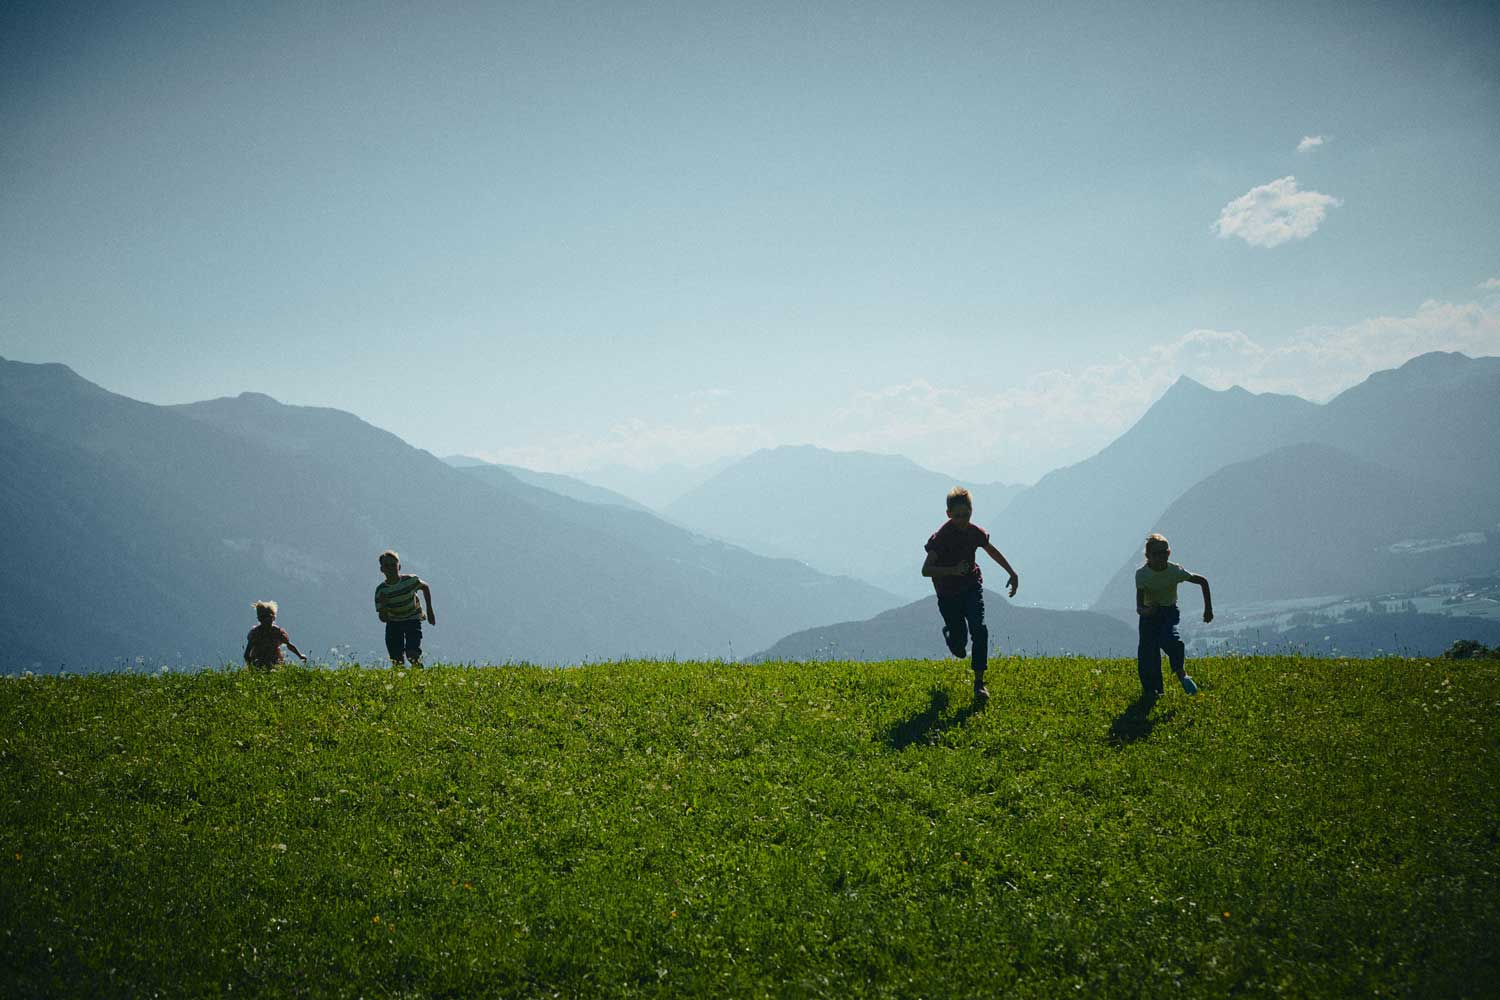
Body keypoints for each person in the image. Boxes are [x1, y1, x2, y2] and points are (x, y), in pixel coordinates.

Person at [921, 487, 1019, 701]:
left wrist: (1011, 572)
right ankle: (951, 636)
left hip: (971, 587)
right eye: (957, 516)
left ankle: (979, 684)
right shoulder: (942, 538)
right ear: (948, 514)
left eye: (966, 515)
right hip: (948, 595)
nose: (962, 520)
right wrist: (953, 571)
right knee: (959, 646)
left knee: (980, 629)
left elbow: (990, 550)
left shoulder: (975, 532)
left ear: (971, 511)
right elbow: (925, 570)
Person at [1135, 533, 1212, 697]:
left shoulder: (1175, 571)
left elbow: (1203, 582)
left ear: (1169, 553)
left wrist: (1208, 610)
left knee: (1171, 641)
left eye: (1164, 553)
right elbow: (1139, 607)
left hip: (1168, 612)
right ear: (1148, 556)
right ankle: (1154, 691)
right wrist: (1147, 611)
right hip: (1148, 617)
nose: (1161, 557)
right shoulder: (1142, 575)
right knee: (1147, 653)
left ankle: (1182, 674)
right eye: (1157, 554)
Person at [375, 550, 436, 666]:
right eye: (386, 566)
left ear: (399, 567)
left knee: (412, 654)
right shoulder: (381, 591)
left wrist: (429, 610)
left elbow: (425, 587)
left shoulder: (410, 581)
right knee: (397, 660)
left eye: (393, 565)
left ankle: (421, 678)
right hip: (393, 623)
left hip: (412, 619)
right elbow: (383, 618)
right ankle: (400, 680)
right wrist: (383, 606)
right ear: (382, 569)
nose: (390, 569)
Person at [243, 600, 306, 670]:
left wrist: (300, 655)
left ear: (273, 617)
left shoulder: (277, 631)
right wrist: (251, 668)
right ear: (259, 619)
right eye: (263, 617)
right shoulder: (256, 633)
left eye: (268, 616)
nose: (266, 620)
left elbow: (289, 645)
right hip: (259, 662)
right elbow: (247, 654)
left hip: (275, 661)